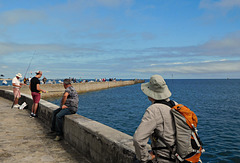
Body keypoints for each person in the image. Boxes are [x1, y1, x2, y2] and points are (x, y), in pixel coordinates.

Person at [133, 75, 177, 163]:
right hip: (178, 156)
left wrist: (146, 157)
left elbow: (138, 140)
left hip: (164, 159)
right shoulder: (175, 105)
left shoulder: (154, 110)